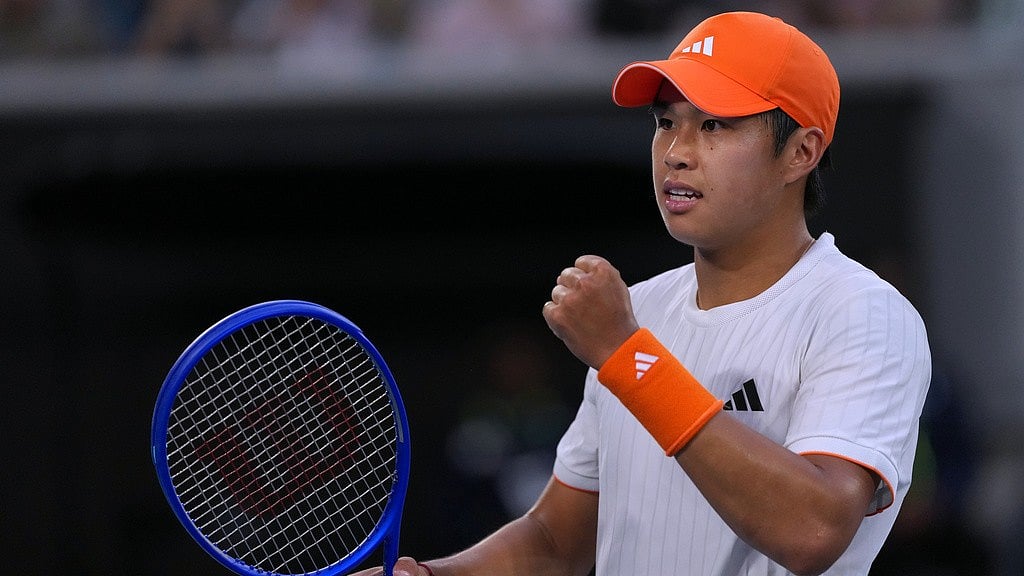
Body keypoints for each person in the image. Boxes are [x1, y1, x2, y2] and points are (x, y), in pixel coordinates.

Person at [352, 10, 931, 576]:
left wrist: (629, 359)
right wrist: (430, 575)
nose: (677, 151)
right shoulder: (641, 311)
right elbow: (556, 541)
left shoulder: (865, 313)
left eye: (714, 124)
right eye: (665, 122)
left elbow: (814, 532)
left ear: (801, 152)